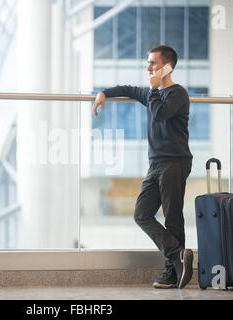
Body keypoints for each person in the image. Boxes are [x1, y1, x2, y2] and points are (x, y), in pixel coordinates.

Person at [92, 45, 193, 289]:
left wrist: (155, 87)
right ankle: (178, 254)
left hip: (175, 162)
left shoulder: (177, 94)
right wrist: (103, 93)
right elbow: (127, 89)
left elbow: (159, 114)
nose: (148, 68)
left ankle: (172, 272)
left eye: (153, 64)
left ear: (167, 66)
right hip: (156, 164)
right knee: (141, 214)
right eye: (147, 63)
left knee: (173, 218)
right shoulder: (151, 93)